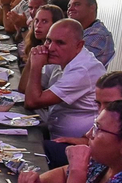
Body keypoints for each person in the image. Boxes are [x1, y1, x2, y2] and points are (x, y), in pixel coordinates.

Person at [23, 18, 106, 154]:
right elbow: (24, 89)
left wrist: (37, 65)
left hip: (78, 146)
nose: (51, 48)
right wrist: (33, 58)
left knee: (27, 149)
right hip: (53, 131)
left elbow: (32, 102)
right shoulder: (62, 57)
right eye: (49, 40)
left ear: (79, 45)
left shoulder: (83, 69)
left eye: (60, 43)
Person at [69, 0, 114, 66]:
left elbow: (72, 61)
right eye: (69, 6)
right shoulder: (81, 30)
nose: (70, 9)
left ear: (92, 7)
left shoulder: (97, 35)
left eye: (76, 4)